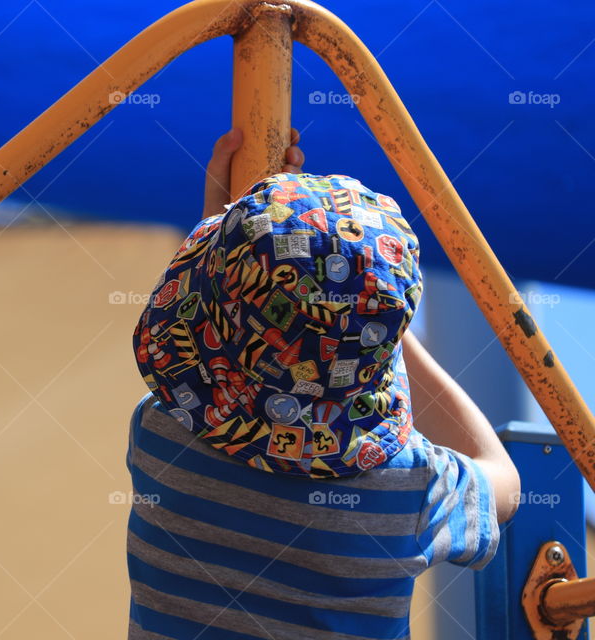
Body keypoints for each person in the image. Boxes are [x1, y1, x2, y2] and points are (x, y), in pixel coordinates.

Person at [126, 128, 520, 640]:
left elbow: (204, 351)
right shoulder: (410, 487)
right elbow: (505, 485)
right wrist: (381, 337)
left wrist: (226, 236)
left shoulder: (159, 435)